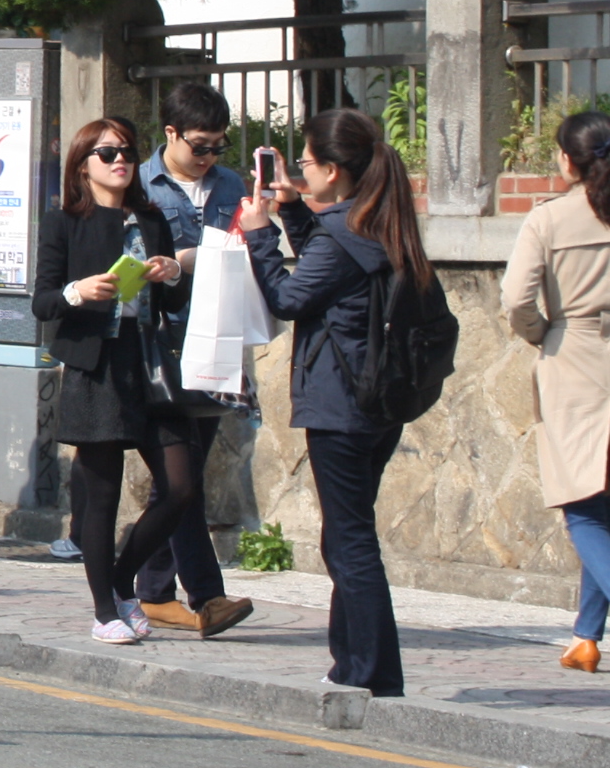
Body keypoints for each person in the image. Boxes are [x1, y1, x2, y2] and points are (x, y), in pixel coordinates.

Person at [239, 105, 432, 698]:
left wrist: (260, 235)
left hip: (341, 402)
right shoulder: (378, 222)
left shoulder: (348, 233)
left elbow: (292, 296)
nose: (297, 171)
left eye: (304, 164)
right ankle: (350, 660)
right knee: (348, 535)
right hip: (378, 401)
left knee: (349, 541)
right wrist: (295, 211)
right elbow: (330, 265)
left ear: (332, 170)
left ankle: (375, 670)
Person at [32, 116, 197, 643]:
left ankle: (123, 577)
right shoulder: (64, 222)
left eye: (126, 151)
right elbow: (44, 300)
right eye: (107, 154)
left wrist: (172, 275)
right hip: (94, 365)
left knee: (180, 486)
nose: (120, 160)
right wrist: (79, 292)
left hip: (149, 362)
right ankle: (105, 609)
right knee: (100, 494)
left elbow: (171, 301)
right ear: (84, 166)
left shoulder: (150, 218)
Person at [131, 82, 257, 638]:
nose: (208, 158)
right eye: (199, 146)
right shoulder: (139, 185)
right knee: (180, 480)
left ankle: (150, 588)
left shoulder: (231, 185)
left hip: (217, 343)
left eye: (217, 147)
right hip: (157, 347)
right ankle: (206, 595)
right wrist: (176, 265)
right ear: (171, 135)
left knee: (180, 477)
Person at [501, 109, 610, 672]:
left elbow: (516, 300)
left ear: (567, 160)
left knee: (583, 505)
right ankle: (586, 635)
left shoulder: (550, 219)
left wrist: (545, 335)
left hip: (575, 358)